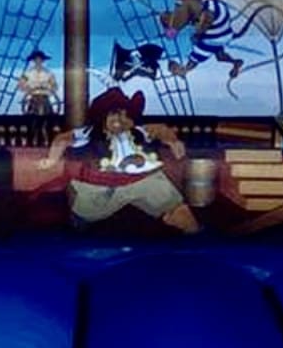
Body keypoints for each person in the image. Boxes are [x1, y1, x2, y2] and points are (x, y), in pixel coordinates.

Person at [38, 87, 200, 234]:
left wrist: (173, 141)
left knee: (183, 216)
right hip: (99, 187)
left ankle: (194, 245)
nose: (121, 119)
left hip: (141, 181)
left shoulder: (139, 131)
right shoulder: (87, 133)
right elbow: (62, 139)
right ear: (103, 115)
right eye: (115, 113)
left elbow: (161, 130)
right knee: (80, 220)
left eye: (125, 114)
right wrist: (51, 160)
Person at [17, 49, 58, 146]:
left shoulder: (48, 73)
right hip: (34, 99)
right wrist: (29, 89)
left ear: (43, 61)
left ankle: (47, 141)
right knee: (33, 122)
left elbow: (55, 86)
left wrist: (48, 89)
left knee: (47, 122)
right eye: (36, 59)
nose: (38, 61)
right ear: (33, 60)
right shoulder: (28, 74)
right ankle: (33, 142)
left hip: (45, 99)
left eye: (40, 59)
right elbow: (20, 85)